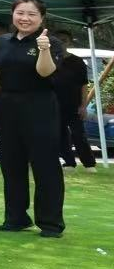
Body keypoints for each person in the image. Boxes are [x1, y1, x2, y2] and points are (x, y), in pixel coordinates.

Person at [0, 0, 66, 237]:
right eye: (20, 13)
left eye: (32, 14)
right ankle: (16, 218)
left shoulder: (51, 42)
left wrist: (43, 49)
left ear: (42, 18)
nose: (25, 18)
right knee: (11, 165)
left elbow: (45, 72)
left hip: (40, 107)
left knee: (45, 166)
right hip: (7, 107)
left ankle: (50, 223)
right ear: (13, 14)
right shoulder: (3, 42)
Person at [51, 37, 96, 170]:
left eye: (64, 41)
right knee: (60, 135)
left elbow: (84, 85)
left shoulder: (77, 61)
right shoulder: (51, 60)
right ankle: (69, 162)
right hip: (54, 105)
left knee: (79, 134)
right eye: (58, 41)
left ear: (69, 42)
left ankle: (89, 163)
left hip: (74, 105)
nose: (61, 44)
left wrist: (83, 105)